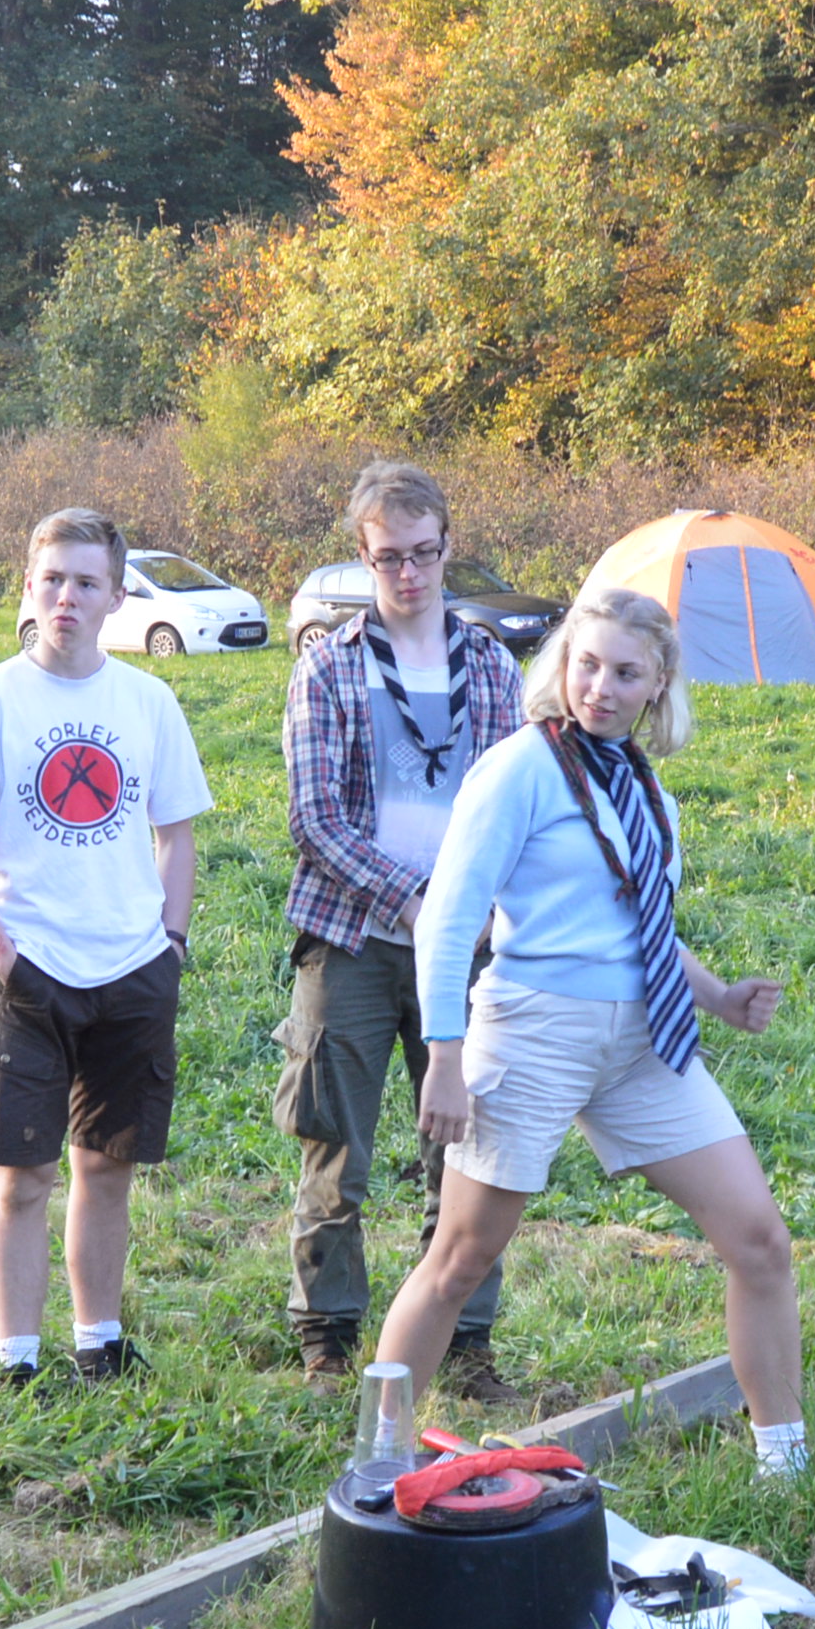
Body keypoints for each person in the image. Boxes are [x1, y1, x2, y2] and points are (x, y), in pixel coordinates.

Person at [386, 586, 811, 1475]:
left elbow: (639, 923)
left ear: (658, 683)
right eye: (586, 665)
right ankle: (378, 1461)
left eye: (624, 673)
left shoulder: (647, 788)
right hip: (532, 1032)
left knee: (760, 1241)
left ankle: (786, 1462)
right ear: (562, 665)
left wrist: (719, 997)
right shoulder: (519, 768)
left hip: (644, 1041)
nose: (600, 689)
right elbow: (447, 920)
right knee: (459, 1259)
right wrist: (444, 1056)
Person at [0, 506, 213, 1384]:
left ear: (117, 597)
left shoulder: (148, 702)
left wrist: (170, 944)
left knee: (108, 1167)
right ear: (28, 587)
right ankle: (18, 1359)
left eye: (87, 583)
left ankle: (100, 1343)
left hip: (133, 970)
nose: (67, 598)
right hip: (30, 976)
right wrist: (2, 955)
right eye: (52, 580)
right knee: (22, 1178)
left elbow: (177, 834)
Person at [277, 460, 526, 1384]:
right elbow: (314, 820)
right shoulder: (328, 665)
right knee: (335, 1149)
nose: (409, 573)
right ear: (364, 557)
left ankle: (461, 1341)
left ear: (448, 547)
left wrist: (474, 914)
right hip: (351, 939)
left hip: (469, 951)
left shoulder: (493, 667)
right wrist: (420, 906)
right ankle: (327, 1335)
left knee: (466, 1148)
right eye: (390, 558)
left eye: (424, 553)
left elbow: (518, 804)